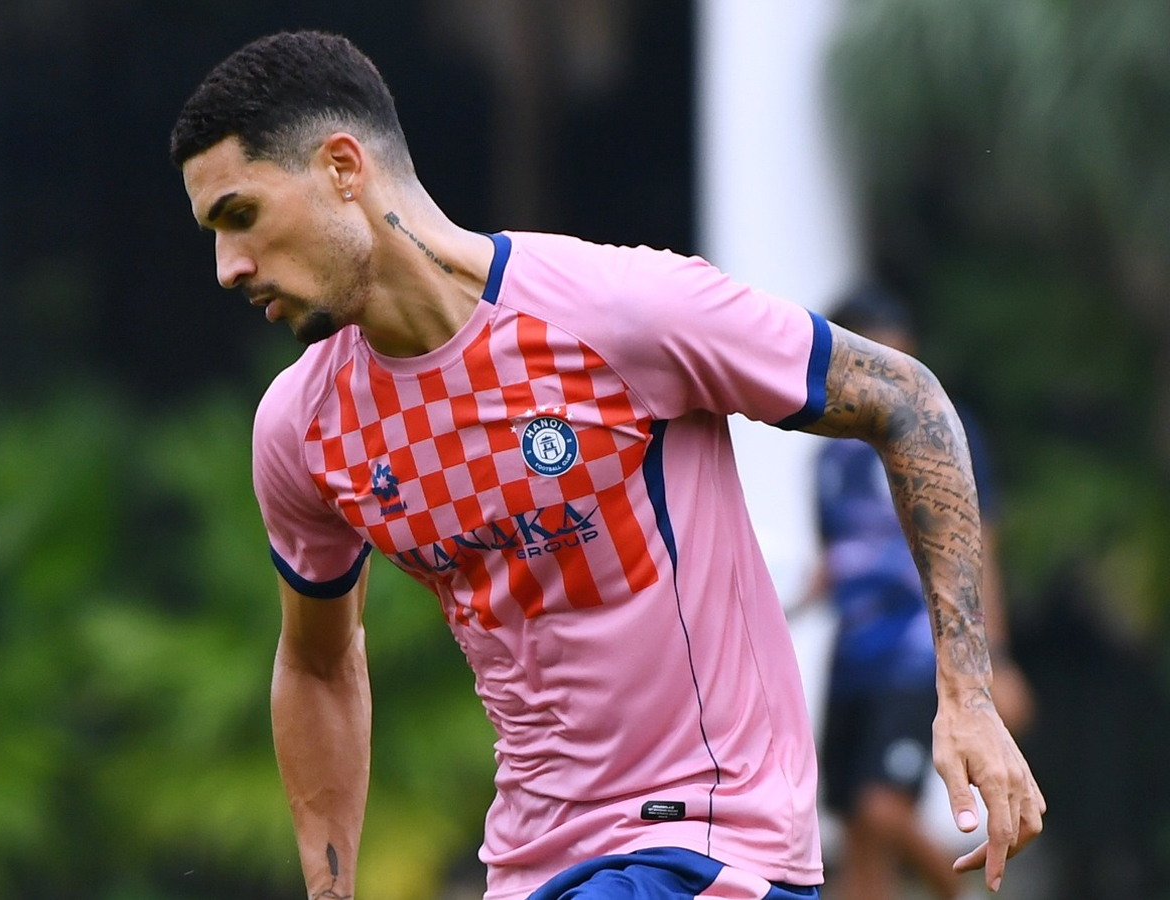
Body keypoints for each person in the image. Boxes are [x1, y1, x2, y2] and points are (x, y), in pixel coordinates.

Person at [168, 31, 1043, 900]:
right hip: (532, 866)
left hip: (711, 842)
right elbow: (317, 665)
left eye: (240, 216)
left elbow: (907, 399)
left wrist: (968, 693)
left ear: (343, 168)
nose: (226, 268)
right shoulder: (303, 428)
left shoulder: (620, 312)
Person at [811, 285, 1037, 900]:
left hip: (916, 653)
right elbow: (839, 555)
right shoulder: (830, 460)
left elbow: (977, 544)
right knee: (856, 831)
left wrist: (994, 659)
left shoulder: (935, 428)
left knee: (883, 808)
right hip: (851, 658)